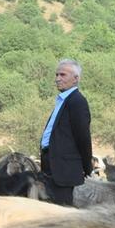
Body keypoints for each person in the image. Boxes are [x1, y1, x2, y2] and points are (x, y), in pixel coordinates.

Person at [39, 58, 92, 206]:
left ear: (76, 79)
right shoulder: (63, 100)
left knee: (61, 210)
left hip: (63, 168)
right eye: (56, 75)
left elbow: (83, 137)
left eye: (62, 75)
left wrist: (87, 166)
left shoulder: (77, 101)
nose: (57, 79)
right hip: (52, 165)